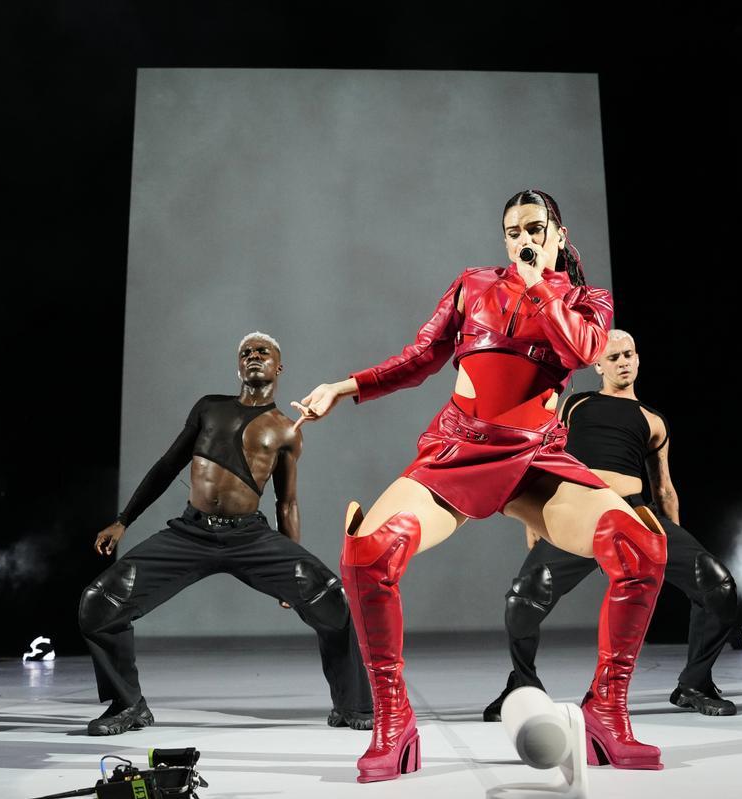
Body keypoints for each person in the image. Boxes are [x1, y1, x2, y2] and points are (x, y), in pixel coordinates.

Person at [293, 190, 668, 783]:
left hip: (538, 460)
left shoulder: (588, 301)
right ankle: (394, 722)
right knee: (369, 550)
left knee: (639, 548)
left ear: (558, 233)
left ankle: (608, 712)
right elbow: (419, 357)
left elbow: (579, 347)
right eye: (512, 230)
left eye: (534, 227)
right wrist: (343, 387)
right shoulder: (472, 286)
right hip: (458, 448)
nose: (523, 237)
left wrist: (538, 281)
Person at [78, 333, 371, 735]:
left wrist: (291, 567)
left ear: (278, 367)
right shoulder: (209, 409)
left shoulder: (287, 430)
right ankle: (127, 706)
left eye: (262, 352)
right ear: (238, 366)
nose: (253, 356)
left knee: (330, 596)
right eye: (245, 353)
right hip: (190, 534)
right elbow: (167, 467)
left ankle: (352, 705)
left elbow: (286, 503)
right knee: (100, 601)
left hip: (249, 537)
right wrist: (123, 519)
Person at [482, 330, 739, 722]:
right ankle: (523, 683)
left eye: (629, 354)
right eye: (614, 356)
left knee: (717, 585)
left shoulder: (653, 421)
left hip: (634, 515)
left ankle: (694, 684)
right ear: (598, 365)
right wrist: (536, 516)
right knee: (522, 599)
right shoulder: (576, 404)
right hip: (577, 513)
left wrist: (674, 545)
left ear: (638, 358)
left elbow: (664, 489)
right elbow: (543, 456)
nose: (623, 362)